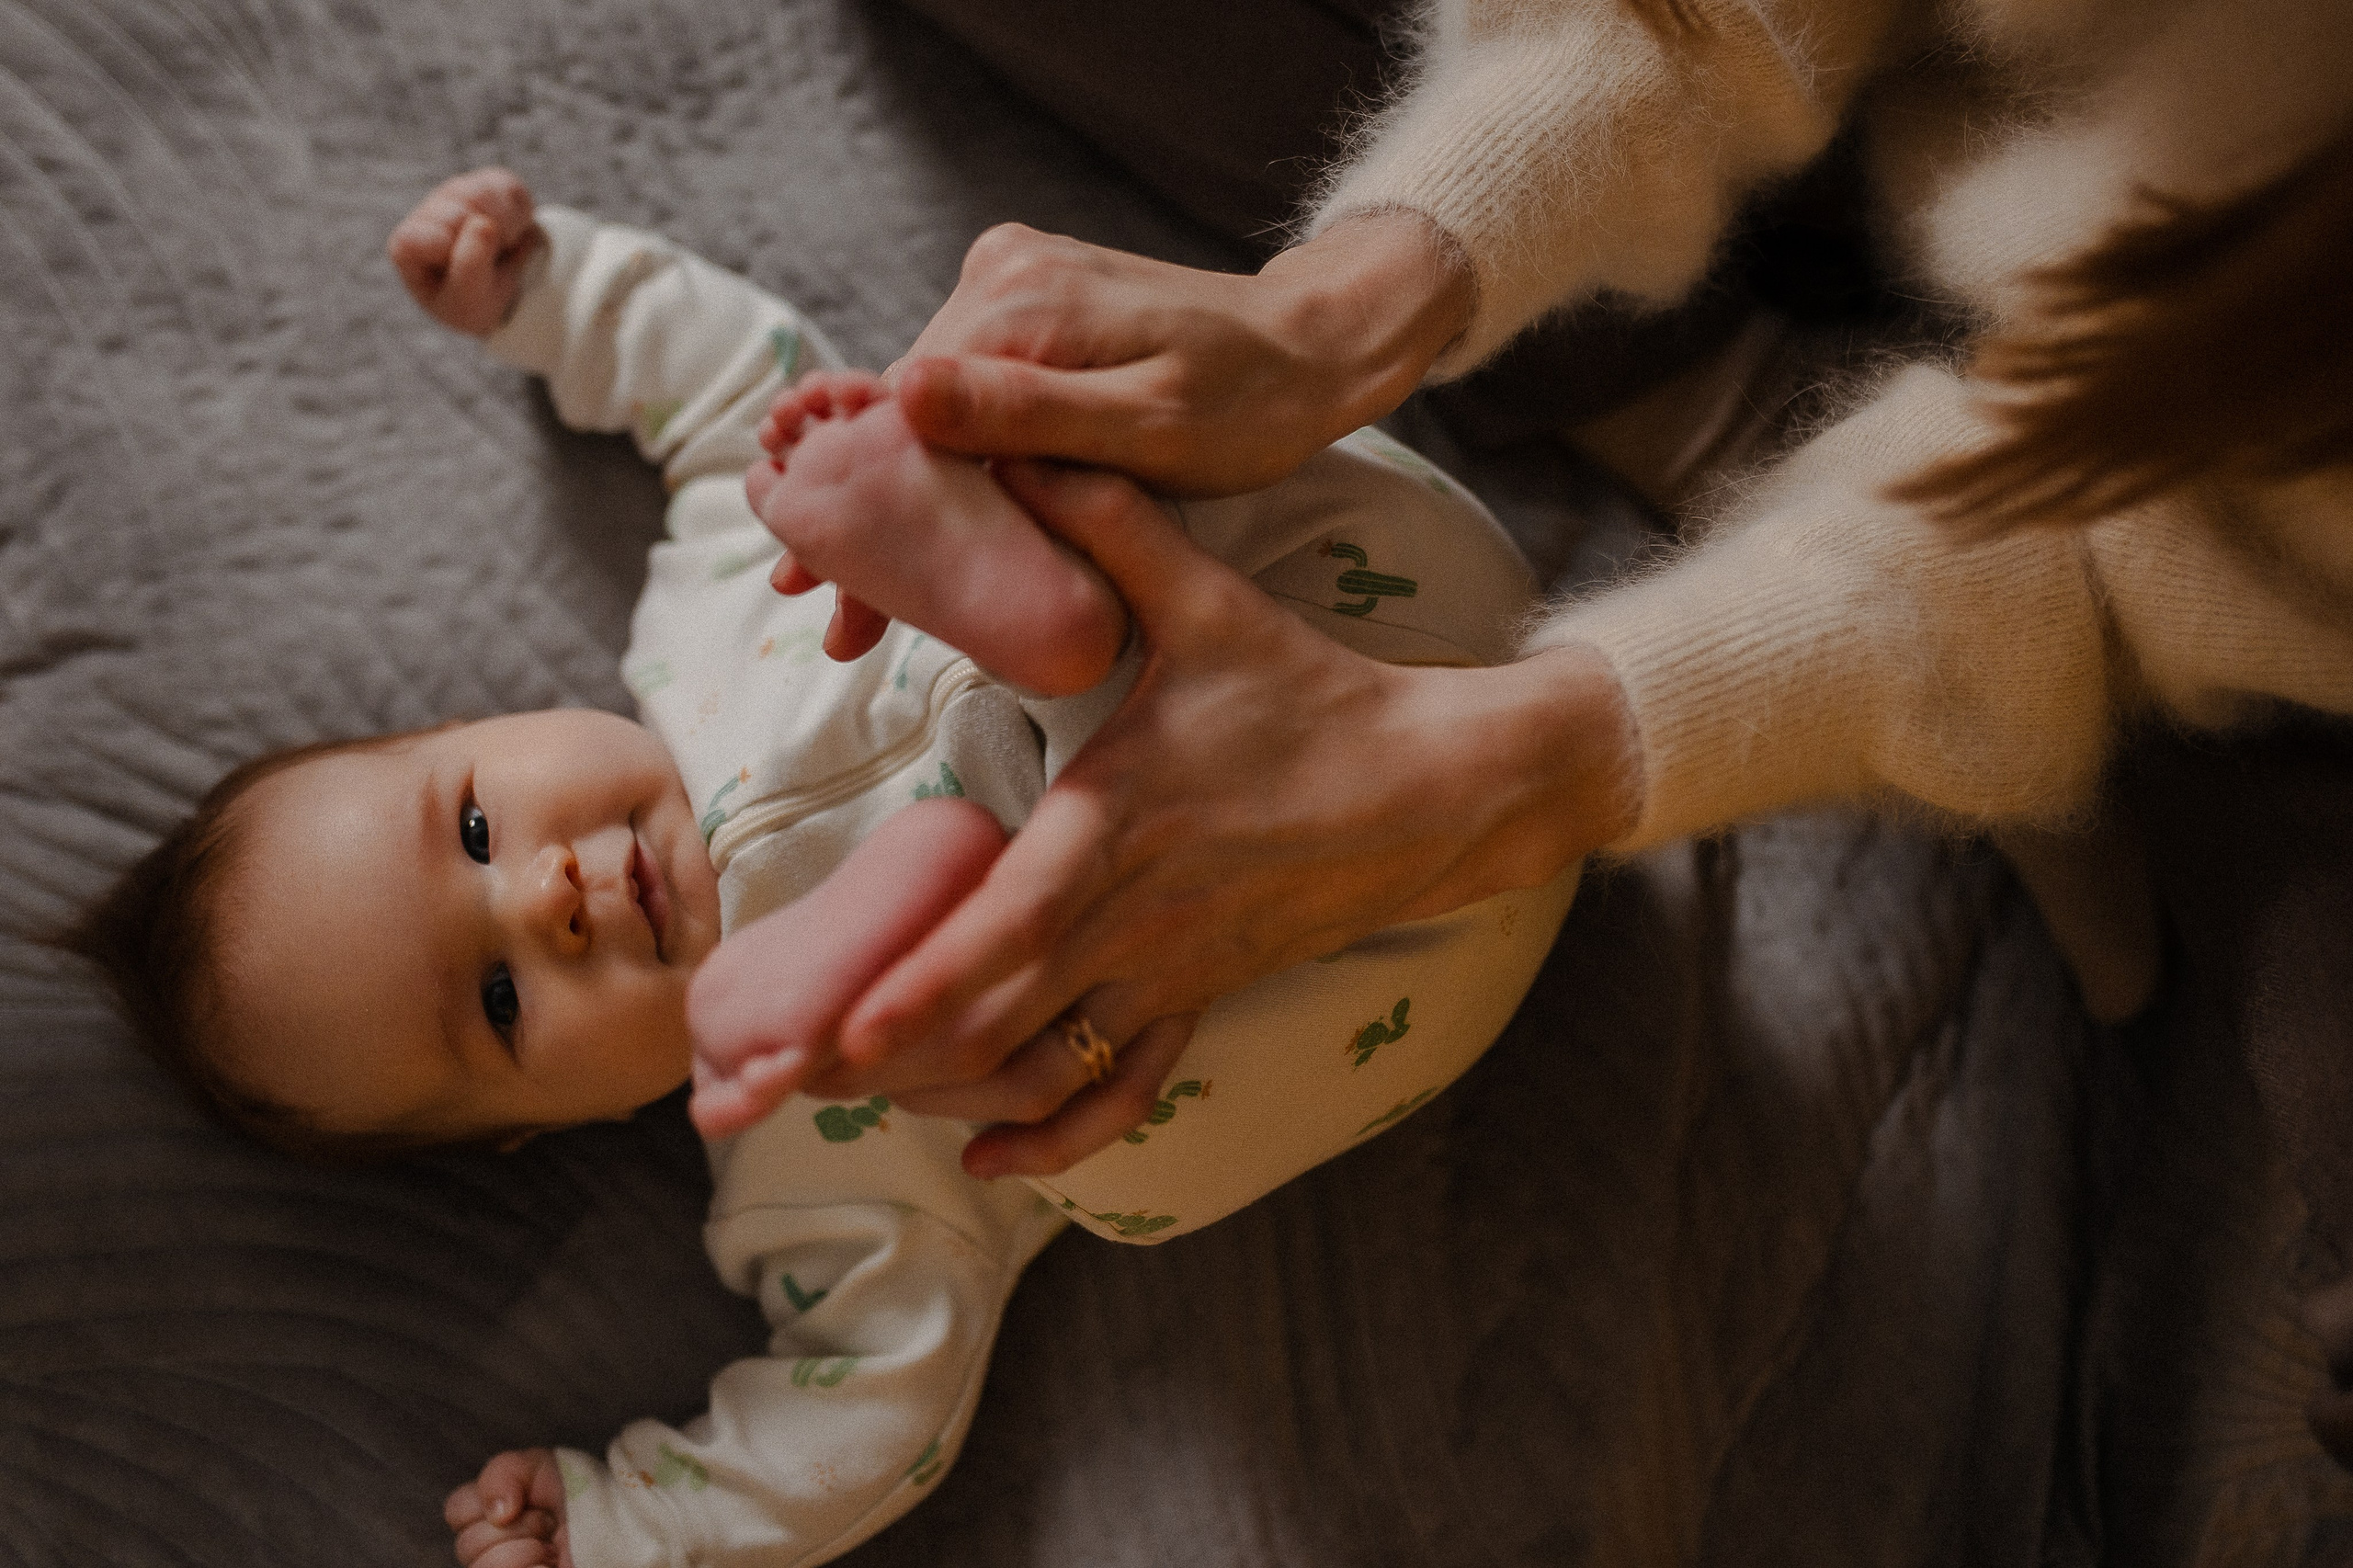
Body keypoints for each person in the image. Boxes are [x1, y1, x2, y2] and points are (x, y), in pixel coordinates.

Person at [60, 167, 1574, 1568]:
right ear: (548, 1124)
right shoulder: (806, 1185)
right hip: (1420, 906)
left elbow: (732, 380)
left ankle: (1037, 636)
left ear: (475, 727)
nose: (544, 898)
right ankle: (1017, 713)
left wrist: (545, 287)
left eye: (470, 827)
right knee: (1081, 1137)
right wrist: (627, 1525)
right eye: (501, 1000)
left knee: (891, 448)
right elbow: (870, 1407)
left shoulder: (703, 598)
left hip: (1339, 563)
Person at [745, 0, 2353, 1187]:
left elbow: (2146, 559)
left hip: (2227, 507)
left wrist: (1542, 759)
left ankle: (1973, 652)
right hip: (1981, 196)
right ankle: (1723, 429)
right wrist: (1343, 303)